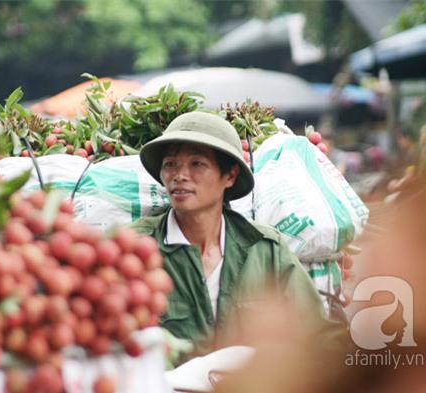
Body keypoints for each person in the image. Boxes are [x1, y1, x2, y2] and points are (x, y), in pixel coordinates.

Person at [131, 111, 348, 363]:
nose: (180, 175)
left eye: (197, 164)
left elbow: (320, 336)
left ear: (230, 176)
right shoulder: (138, 248)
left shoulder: (265, 249)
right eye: (170, 165)